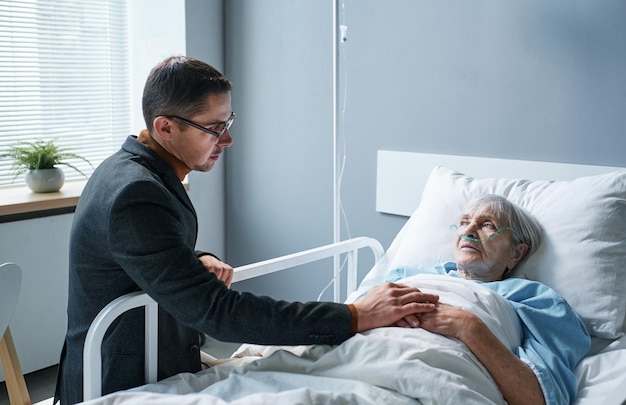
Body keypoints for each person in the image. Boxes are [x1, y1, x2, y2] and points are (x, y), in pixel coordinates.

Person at [53, 55, 439, 405]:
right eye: (214, 127)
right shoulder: (135, 192)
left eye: (229, 122)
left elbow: (143, 249)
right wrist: (354, 316)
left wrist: (195, 258)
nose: (228, 139)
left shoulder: (135, 169)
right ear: (165, 127)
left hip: (158, 355)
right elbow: (219, 314)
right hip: (117, 379)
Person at [385, 195, 590, 405]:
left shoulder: (537, 300)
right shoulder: (404, 276)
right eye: (464, 222)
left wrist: (467, 327)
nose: (468, 231)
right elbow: (357, 316)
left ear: (516, 253)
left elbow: (538, 399)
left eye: (487, 225)